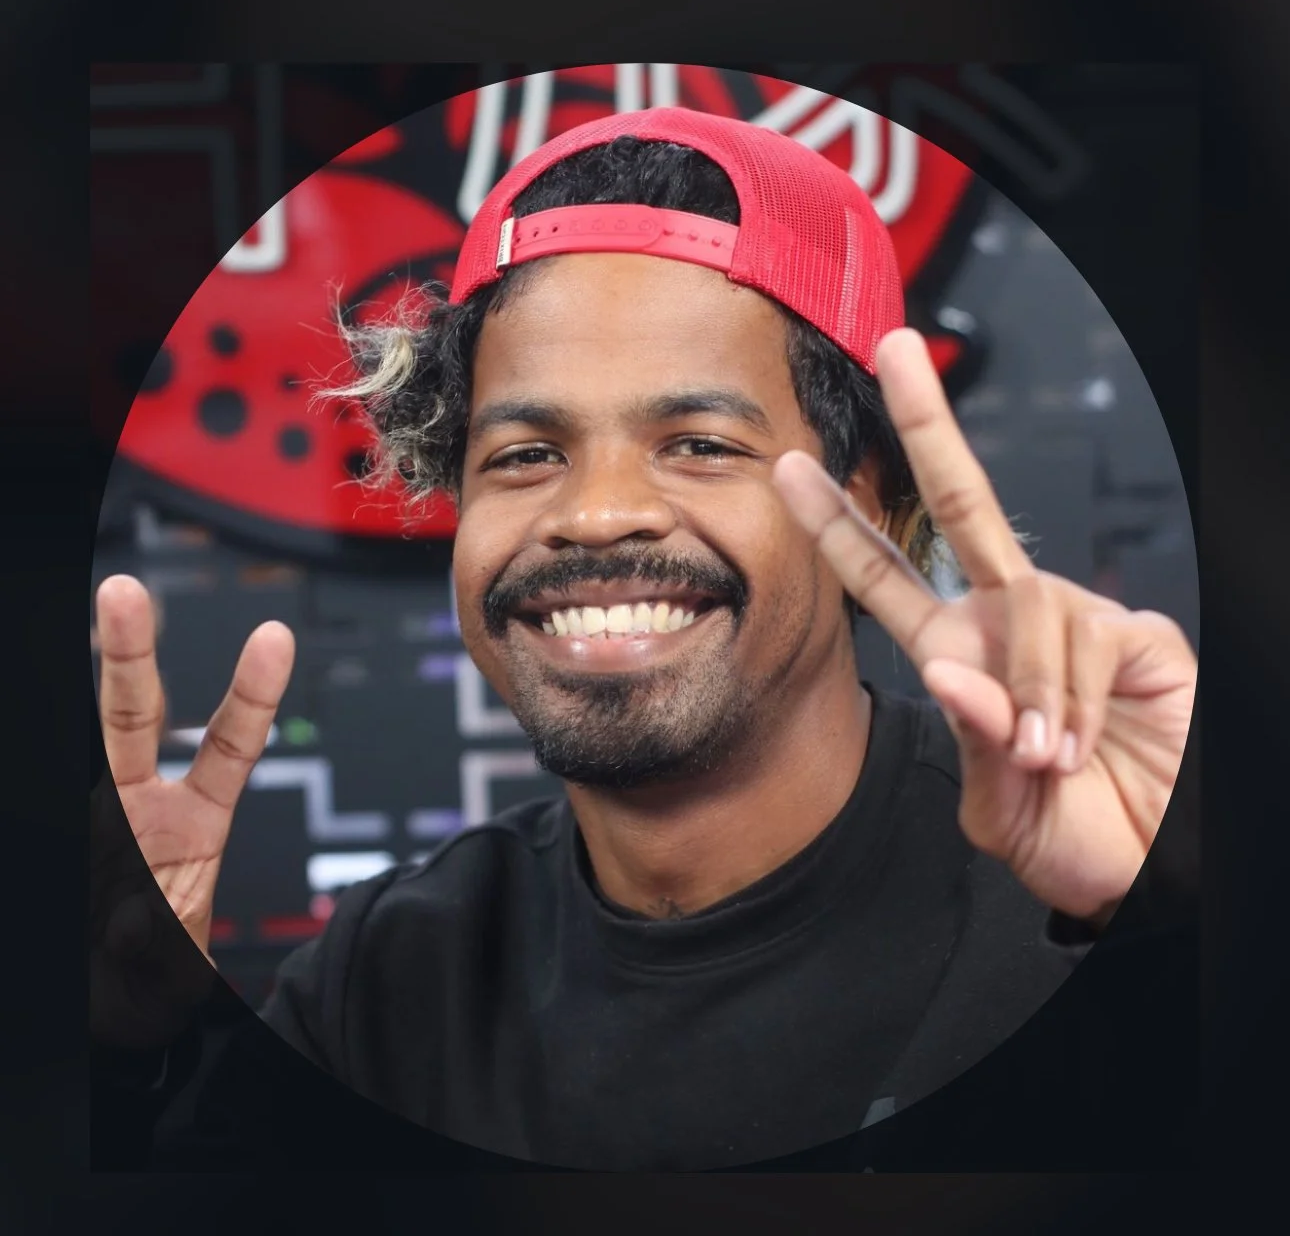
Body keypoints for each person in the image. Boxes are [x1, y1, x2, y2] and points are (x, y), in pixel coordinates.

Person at [91, 107, 1197, 1171]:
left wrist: (1175, 914)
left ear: (870, 500)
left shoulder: (1087, 897)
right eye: (524, 454)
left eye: (699, 443)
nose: (596, 509)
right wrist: (109, 1047)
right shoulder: (381, 982)